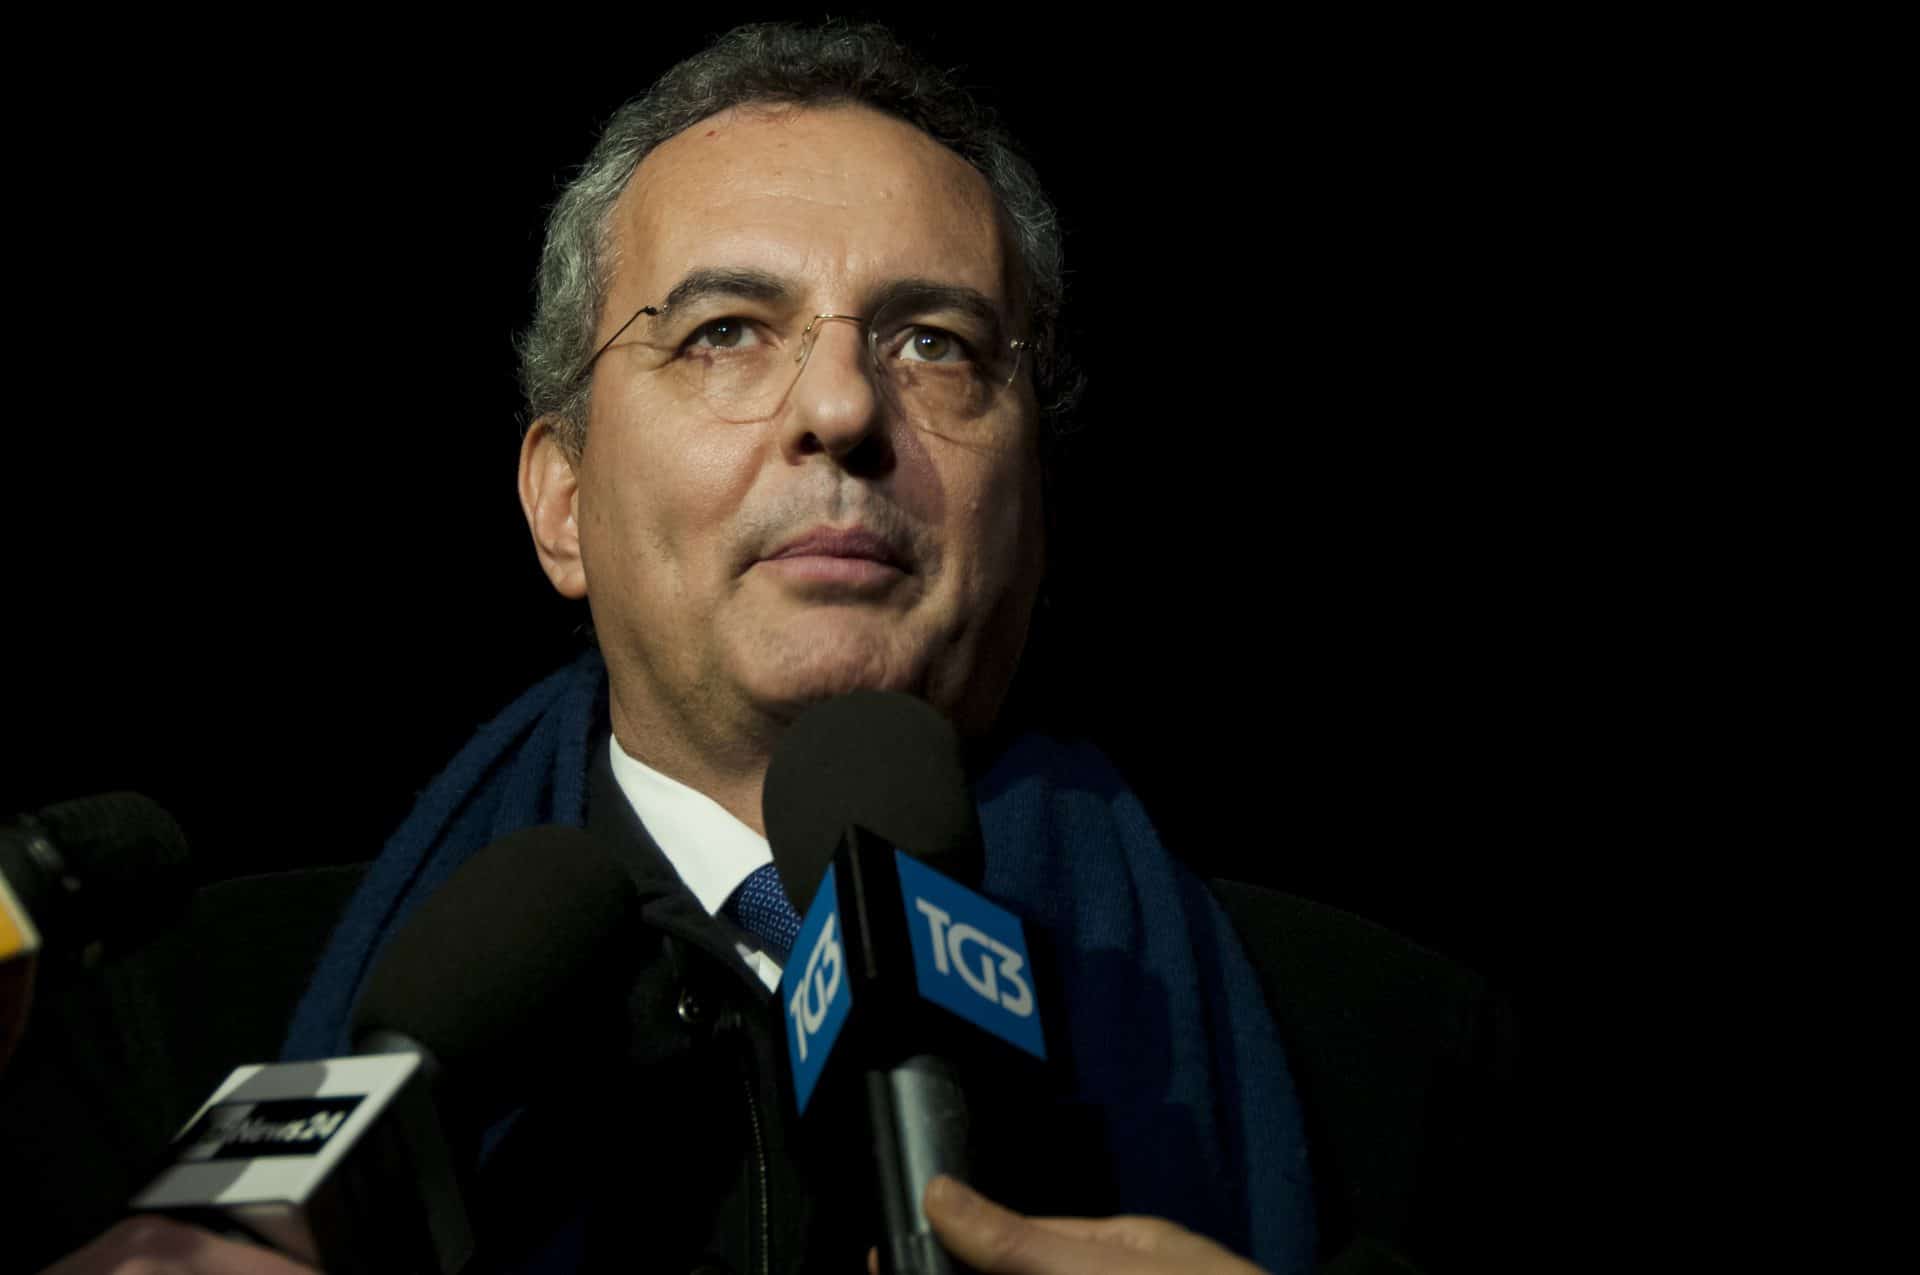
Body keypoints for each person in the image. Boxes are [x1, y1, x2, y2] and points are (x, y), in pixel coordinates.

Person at [37, 21, 1506, 1275]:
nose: (844, 410)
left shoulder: (1388, 1056)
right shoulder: (171, 1032)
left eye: (936, 344)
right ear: (562, 501)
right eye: (727, 331)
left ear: (1037, 515)